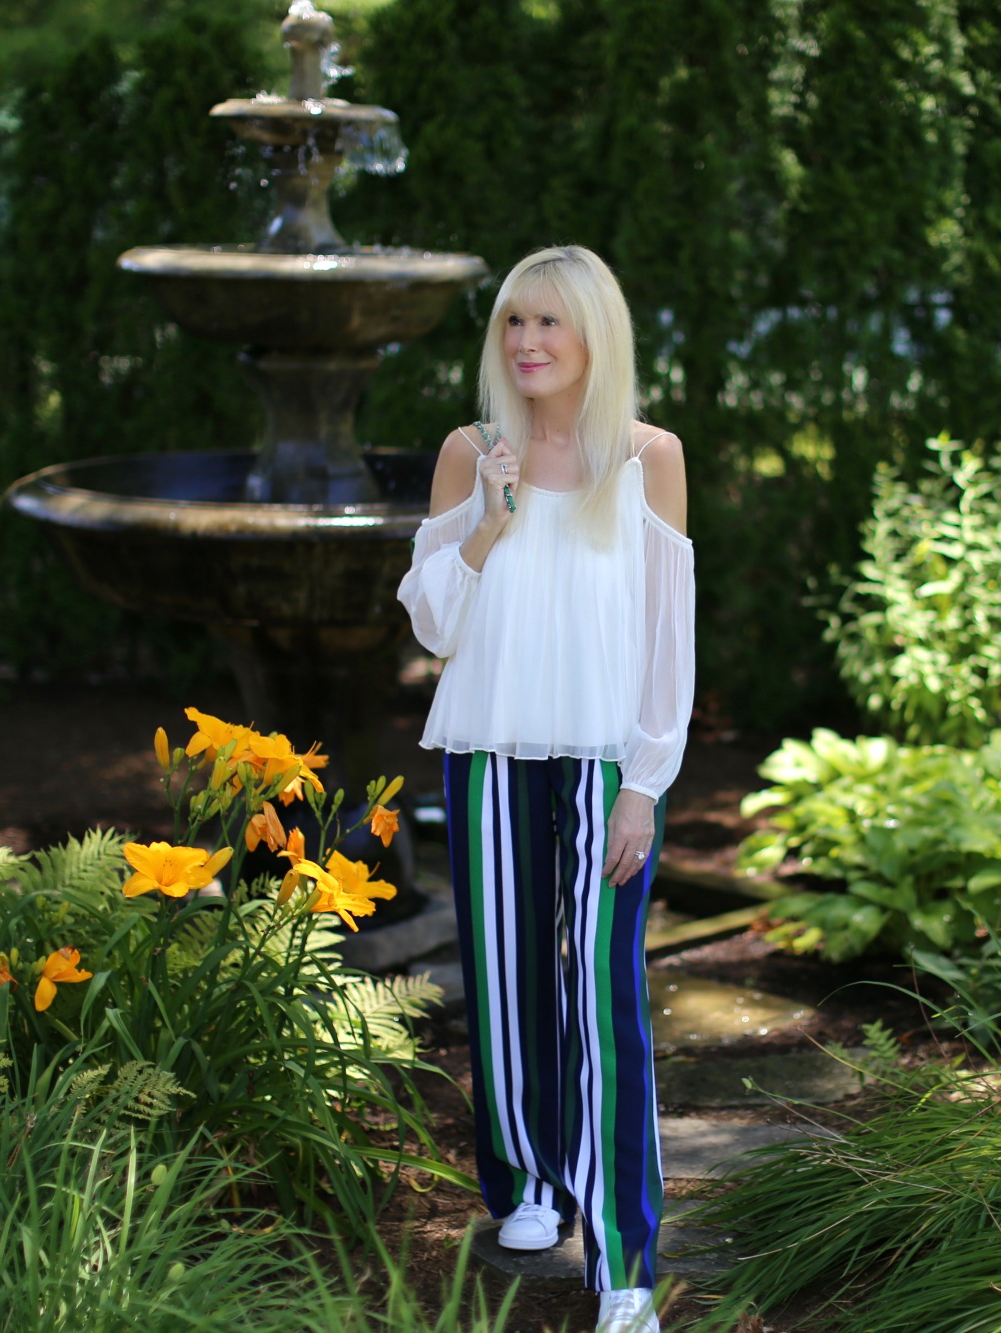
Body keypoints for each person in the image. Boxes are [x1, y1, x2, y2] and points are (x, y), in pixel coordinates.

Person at [396, 245, 693, 1333]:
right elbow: (431, 624)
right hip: (487, 752)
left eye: (548, 322)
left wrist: (643, 785)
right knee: (507, 979)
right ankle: (526, 1182)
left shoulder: (648, 458)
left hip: (607, 768)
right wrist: (488, 518)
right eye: (513, 321)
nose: (526, 341)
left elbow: (667, 641)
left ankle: (624, 1267)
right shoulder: (470, 451)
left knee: (603, 998)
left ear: (593, 336)